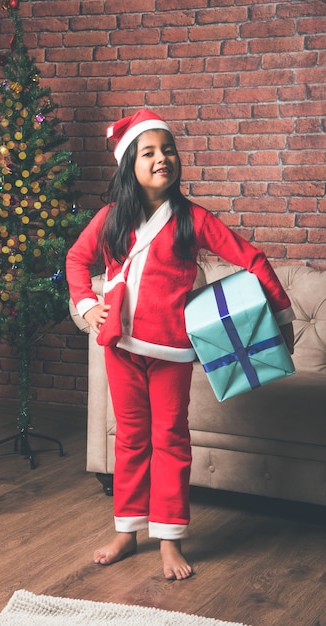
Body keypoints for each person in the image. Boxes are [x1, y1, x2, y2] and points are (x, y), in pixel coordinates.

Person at [66, 109, 295, 581]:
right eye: (148, 152)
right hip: (120, 347)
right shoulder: (110, 219)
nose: (161, 158)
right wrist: (88, 304)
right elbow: (76, 258)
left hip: (172, 353)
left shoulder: (194, 219)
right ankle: (127, 531)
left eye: (167, 150)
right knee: (129, 439)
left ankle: (169, 538)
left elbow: (251, 258)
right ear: (129, 163)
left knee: (170, 440)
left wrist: (280, 313)